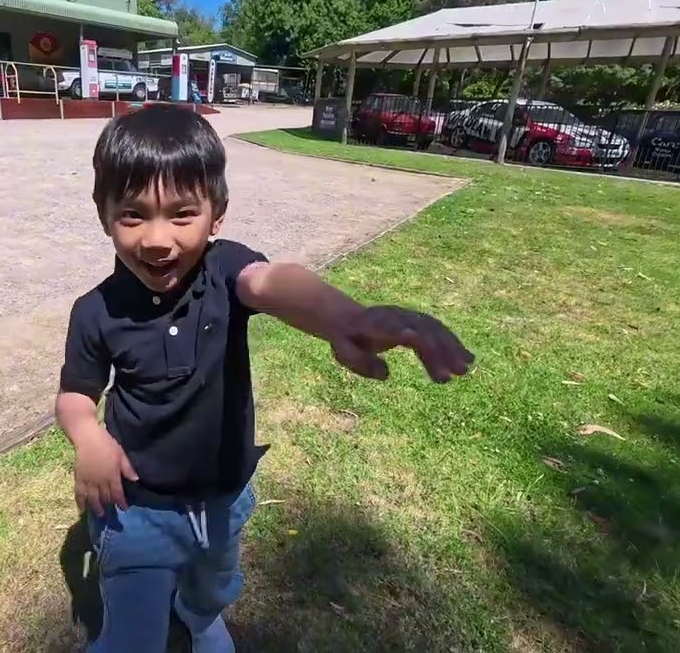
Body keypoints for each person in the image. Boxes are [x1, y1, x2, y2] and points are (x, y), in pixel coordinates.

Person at [56, 105, 474, 653]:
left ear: (217, 214)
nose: (158, 240)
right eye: (133, 215)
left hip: (224, 496)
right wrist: (88, 437)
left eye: (182, 214)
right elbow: (74, 396)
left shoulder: (227, 270)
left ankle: (200, 614)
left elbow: (274, 283)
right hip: (135, 509)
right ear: (102, 211)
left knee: (214, 585)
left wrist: (346, 317)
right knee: (134, 635)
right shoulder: (96, 311)